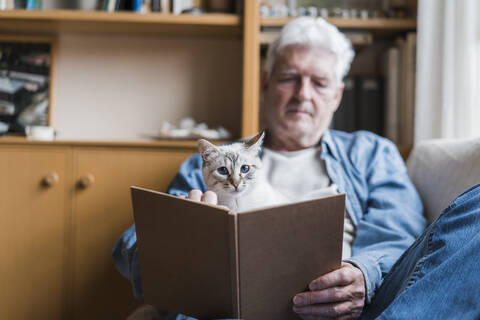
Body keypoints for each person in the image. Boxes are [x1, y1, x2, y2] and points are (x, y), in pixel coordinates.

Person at [113, 17, 480, 319]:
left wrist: (361, 274)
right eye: (289, 78)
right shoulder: (213, 163)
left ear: (337, 95)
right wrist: (181, 238)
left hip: (351, 310)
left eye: (319, 83)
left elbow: (399, 235)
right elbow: (135, 245)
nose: (303, 94)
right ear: (267, 84)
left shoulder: (372, 152)